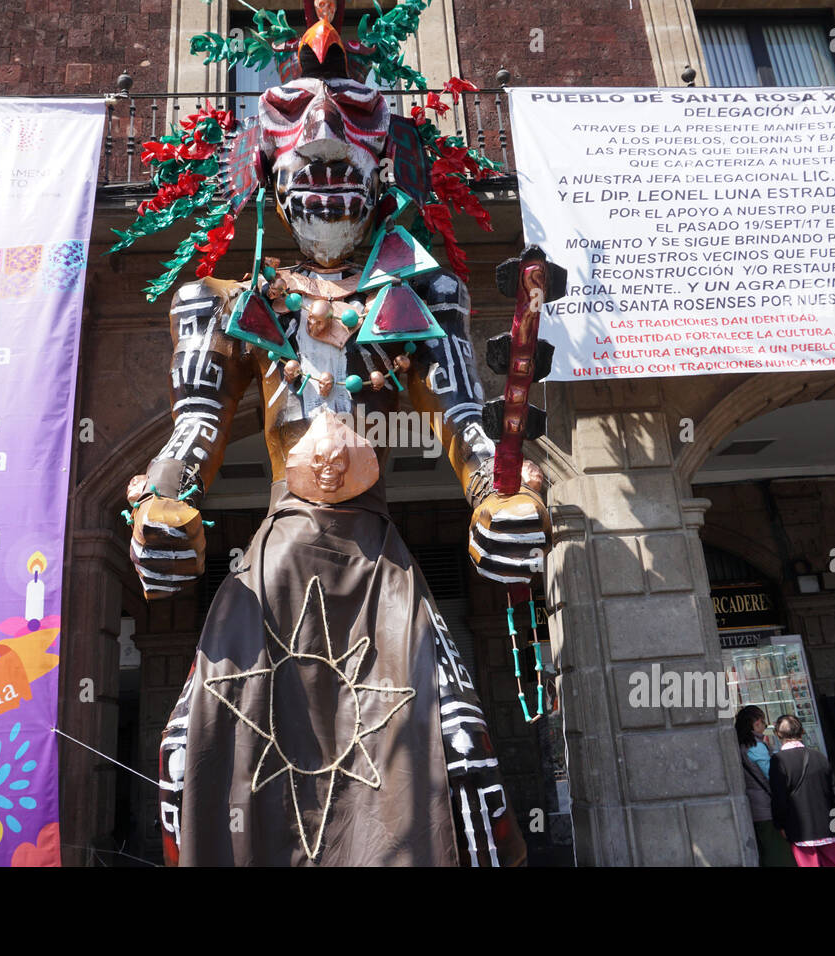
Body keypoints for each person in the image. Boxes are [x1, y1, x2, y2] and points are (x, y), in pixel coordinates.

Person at [120, 0, 549, 866]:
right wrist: (161, 507)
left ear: (389, 163)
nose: (322, 135)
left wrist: (501, 497)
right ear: (262, 166)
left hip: (378, 562)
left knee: (462, 753)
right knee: (181, 759)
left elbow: (466, 421)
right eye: (293, 117)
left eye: (353, 116)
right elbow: (194, 430)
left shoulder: (425, 298)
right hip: (276, 559)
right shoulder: (221, 302)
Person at [770, 714, 835, 867]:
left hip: (799, 829)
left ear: (778, 734)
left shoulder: (779, 761)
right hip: (827, 827)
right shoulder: (819, 757)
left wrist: (781, 824)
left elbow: (779, 797)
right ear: (802, 732)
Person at [736, 706, 794, 866]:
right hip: (766, 808)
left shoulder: (742, 744)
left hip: (757, 805)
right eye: (763, 721)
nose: (765, 725)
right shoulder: (755, 746)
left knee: (767, 850)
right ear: (756, 723)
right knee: (778, 853)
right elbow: (772, 776)